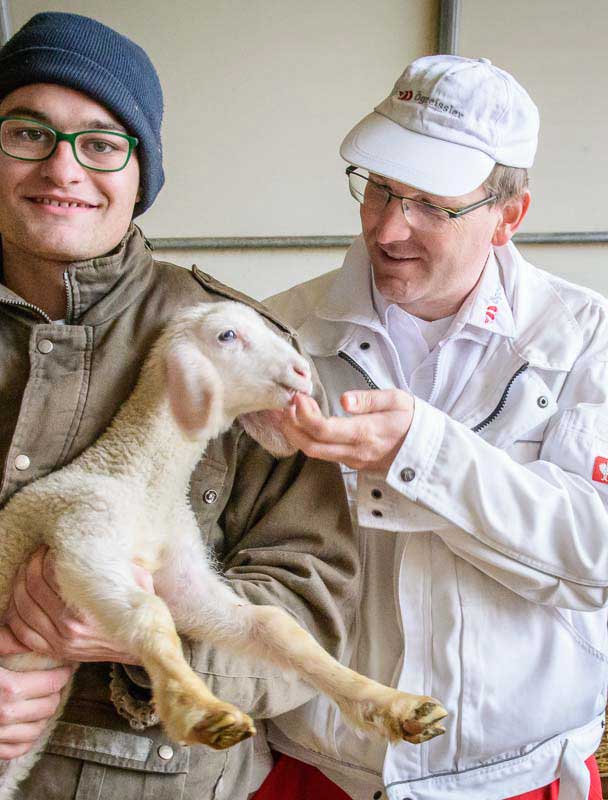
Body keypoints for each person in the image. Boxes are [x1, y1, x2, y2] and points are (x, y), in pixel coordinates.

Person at [0, 13, 357, 799]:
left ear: (143, 174)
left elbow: (315, 592)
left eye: (102, 144)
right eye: (31, 133)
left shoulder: (236, 345)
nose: (64, 169)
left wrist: (142, 641)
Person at [259, 55, 608, 800]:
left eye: (430, 204)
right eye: (380, 188)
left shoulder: (584, 340)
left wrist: (425, 456)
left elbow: (597, 553)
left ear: (509, 215)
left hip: (509, 774)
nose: (389, 228)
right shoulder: (278, 332)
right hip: (315, 767)